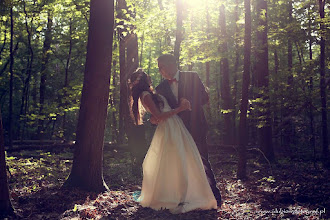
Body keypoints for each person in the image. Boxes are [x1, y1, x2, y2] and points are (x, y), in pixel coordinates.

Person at [128, 69, 217, 214]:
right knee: (178, 160)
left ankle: (185, 194)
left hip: (175, 126)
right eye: (148, 78)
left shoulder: (148, 94)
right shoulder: (146, 95)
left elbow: (156, 117)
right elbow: (160, 116)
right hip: (170, 127)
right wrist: (180, 108)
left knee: (182, 159)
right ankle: (177, 196)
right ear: (146, 80)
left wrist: (158, 117)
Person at [155, 54, 222, 206]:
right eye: (159, 69)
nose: (160, 71)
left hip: (196, 126)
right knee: (180, 164)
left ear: (171, 64)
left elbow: (205, 98)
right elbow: (161, 111)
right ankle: (187, 197)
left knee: (202, 160)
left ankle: (214, 196)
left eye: (161, 67)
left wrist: (189, 102)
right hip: (175, 131)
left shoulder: (192, 76)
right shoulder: (160, 88)